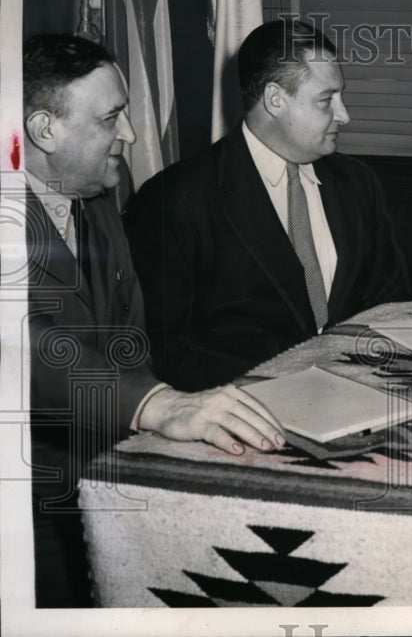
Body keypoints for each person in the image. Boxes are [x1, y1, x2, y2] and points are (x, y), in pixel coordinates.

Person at [21, 34, 286, 608]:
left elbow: (129, 343)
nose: (132, 136)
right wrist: (159, 405)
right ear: (45, 131)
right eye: (111, 117)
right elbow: (24, 348)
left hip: (112, 477)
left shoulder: (96, 201)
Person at [125, 19, 409, 391]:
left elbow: (392, 304)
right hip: (241, 409)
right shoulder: (175, 200)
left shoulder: (357, 184)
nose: (344, 115)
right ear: (276, 100)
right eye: (327, 100)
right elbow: (163, 347)